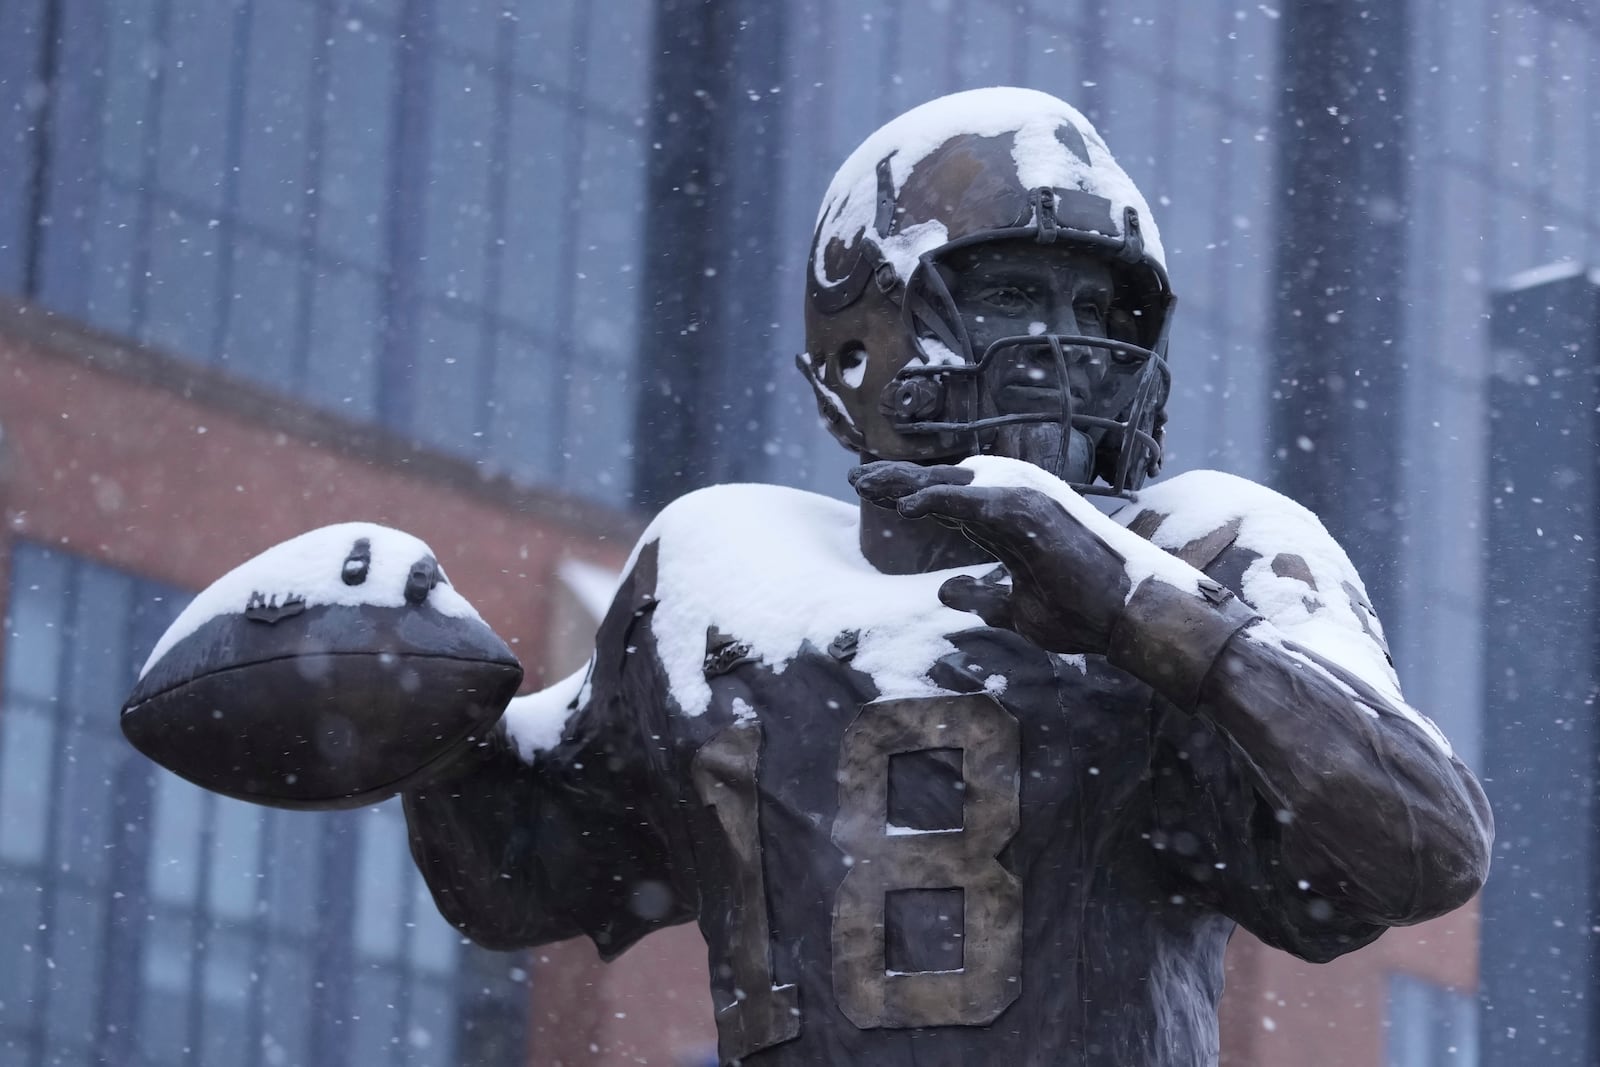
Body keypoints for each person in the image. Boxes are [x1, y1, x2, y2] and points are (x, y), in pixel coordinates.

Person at [401, 88, 1492, 1066]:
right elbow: (521, 872)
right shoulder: (712, 573)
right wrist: (408, 693)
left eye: (1096, 311)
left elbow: (1421, 844)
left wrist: (1149, 617)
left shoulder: (1208, 546)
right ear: (858, 344)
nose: (1067, 345)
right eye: (1015, 292)